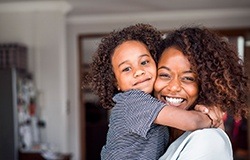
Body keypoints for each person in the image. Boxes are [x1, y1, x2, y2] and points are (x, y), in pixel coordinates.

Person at [85, 23, 222, 160]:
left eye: (144, 62)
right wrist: (211, 117)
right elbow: (191, 122)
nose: (138, 71)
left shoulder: (153, 105)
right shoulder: (132, 102)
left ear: (155, 62)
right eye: (126, 69)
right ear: (116, 82)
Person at [155, 26, 249, 160]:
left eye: (188, 78)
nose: (174, 87)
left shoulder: (208, 140)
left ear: (205, 86)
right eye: (164, 75)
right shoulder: (157, 135)